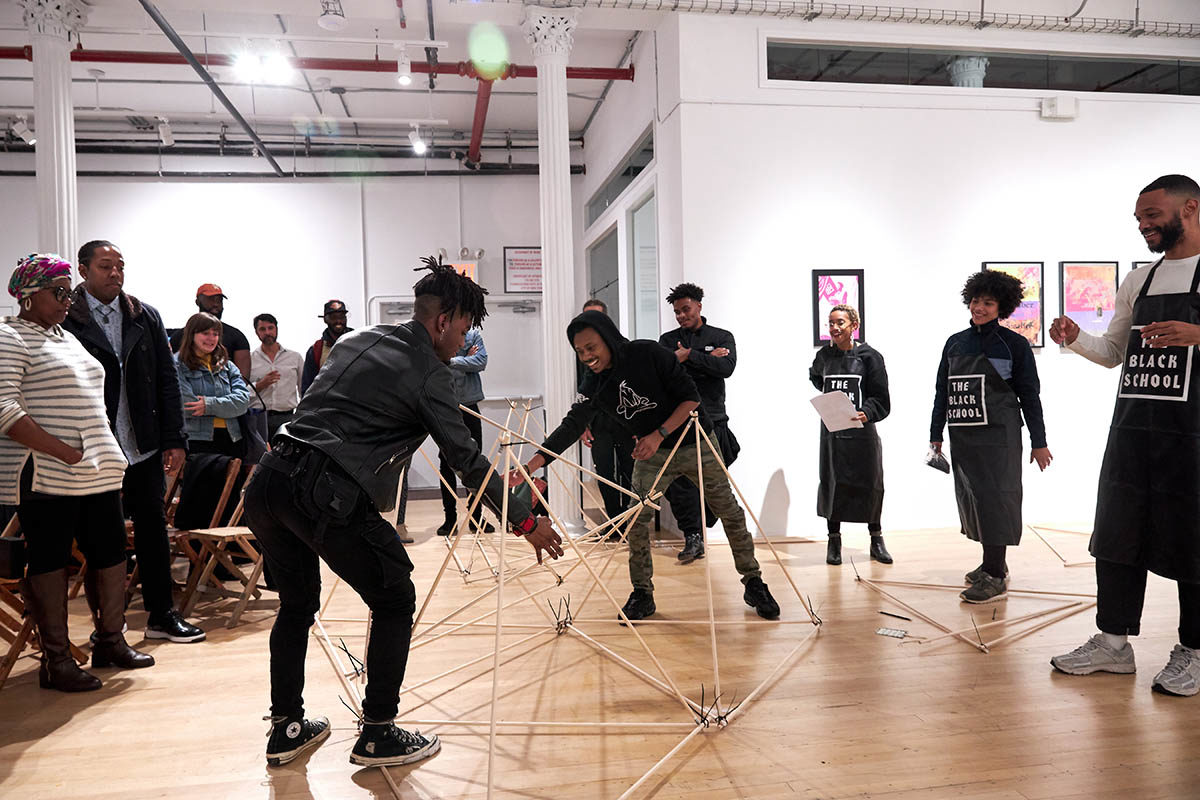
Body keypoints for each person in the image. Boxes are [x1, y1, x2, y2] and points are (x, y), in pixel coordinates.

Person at [242, 257, 563, 768]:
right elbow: (470, 462)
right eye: (463, 329)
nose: (462, 341)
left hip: (267, 482)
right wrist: (526, 521)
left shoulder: (352, 341)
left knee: (297, 605)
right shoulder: (430, 374)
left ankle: (287, 728)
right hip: (324, 490)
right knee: (394, 596)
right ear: (443, 321)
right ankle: (378, 733)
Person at [515, 309, 780, 621]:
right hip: (653, 453)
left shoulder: (648, 353)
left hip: (696, 442)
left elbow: (691, 399)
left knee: (730, 512)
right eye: (580, 351)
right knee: (636, 520)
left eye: (591, 347)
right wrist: (531, 465)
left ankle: (754, 582)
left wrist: (658, 434)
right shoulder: (595, 383)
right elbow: (572, 425)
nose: (587, 356)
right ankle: (642, 593)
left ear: (608, 339)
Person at [1049, 174, 1200, 696]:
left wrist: (1198, 335)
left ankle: (1195, 649)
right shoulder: (1140, 280)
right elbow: (1115, 352)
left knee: (1193, 540)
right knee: (1117, 535)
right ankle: (1112, 644)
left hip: (1193, 438)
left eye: (1152, 215)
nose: (1143, 226)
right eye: (1139, 218)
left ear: (1191, 208)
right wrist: (1075, 340)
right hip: (1134, 430)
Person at [0, 254, 154, 691]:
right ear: (28, 296)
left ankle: (110, 641)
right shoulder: (10, 337)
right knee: (50, 560)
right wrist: (64, 451)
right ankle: (57, 662)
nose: (69, 300)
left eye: (70, 291)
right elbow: (3, 408)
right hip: (48, 473)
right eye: (59, 292)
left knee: (110, 553)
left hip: (96, 472)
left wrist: (100, 453)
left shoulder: (66, 337)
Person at [63, 240, 204, 644]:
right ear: (84, 270)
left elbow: (167, 379)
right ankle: (110, 625)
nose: (115, 273)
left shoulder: (144, 315)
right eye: (105, 266)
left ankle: (161, 615)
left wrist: (174, 438)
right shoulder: (69, 318)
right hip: (95, 446)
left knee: (153, 530)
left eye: (120, 266)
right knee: (102, 536)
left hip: (142, 443)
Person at [929, 270, 1053, 604]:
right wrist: (935, 432)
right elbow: (943, 390)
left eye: (988, 302)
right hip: (964, 438)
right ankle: (990, 563)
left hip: (1000, 437)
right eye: (975, 300)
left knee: (998, 499)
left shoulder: (1013, 345)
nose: (979, 307)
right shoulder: (955, 343)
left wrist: (1038, 442)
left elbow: (1030, 395)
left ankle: (996, 575)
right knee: (975, 499)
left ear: (1003, 306)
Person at [657, 283, 740, 564]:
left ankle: (714, 526)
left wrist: (689, 356)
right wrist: (706, 358)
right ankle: (693, 536)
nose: (681, 315)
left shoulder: (722, 336)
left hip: (714, 419)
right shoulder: (667, 341)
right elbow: (662, 372)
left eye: (686, 309)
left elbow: (726, 368)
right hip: (682, 422)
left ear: (699, 306)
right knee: (681, 483)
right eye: (677, 312)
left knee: (716, 481)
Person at [808, 304, 893, 566]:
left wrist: (866, 412)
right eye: (831, 323)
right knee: (833, 482)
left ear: (853, 325)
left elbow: (880, 397)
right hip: (832, 434)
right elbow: (815, 377)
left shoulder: (870, 357)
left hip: (862, 434)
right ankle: (834, 540)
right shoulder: (824, 356)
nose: (834, 328)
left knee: (870, 483)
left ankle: (876, 539)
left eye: (840, 323)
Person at [579, 299, 633, 530]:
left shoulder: (626, 349)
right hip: (597, 422)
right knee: (604, 472)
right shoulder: (578, 353)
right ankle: (614, 522)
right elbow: (580, 390)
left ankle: (630, 522)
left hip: (625, 423)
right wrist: (582, 424)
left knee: (630, 472)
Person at [435, 326, 494, 536]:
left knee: (475, 461)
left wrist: (451, 361)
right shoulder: (439, 334)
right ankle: (449, 519)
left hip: (470, 405)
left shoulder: (473, 334)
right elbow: (434, 362)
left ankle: (476, 518)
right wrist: (465, 360)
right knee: (446, 464)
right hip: (446, 405)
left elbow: (481, 361)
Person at [175, 312, 252, 459]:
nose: (211, 339)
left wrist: (208, 405)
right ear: (192, 334)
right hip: (196, 442)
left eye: (215, 334)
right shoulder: (177, 365)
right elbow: (187, 405)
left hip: (233, 439)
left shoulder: (228, 366)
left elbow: (242, 402)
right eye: (205, 333)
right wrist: (228, 405)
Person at [170, 284, 251, 379]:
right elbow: (172, 378)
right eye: (211, 299)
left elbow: (242, 383)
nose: (216, 304)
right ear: (198, 302)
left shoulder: (236, 337)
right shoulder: (179, 337)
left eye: (219, 300)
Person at [249, 313, 303, 440]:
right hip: (257, 418)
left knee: (286, 458)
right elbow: (240, 392)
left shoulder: (295, 357)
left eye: (270, 328)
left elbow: (304, 390)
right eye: (262, 329)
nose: (267, 332)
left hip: (287, 418)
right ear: (256, 332)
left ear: (276, 329)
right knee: (259, 457)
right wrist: (260, 385)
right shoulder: (249, 359)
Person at [300, 299, 352, 396]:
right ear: (325, 319)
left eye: (342, 317)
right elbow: (308, 387)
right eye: (333, 317)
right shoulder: (316, 350)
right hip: (327, 406)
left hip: (355, 406)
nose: (338, 321)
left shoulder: (358, 343)